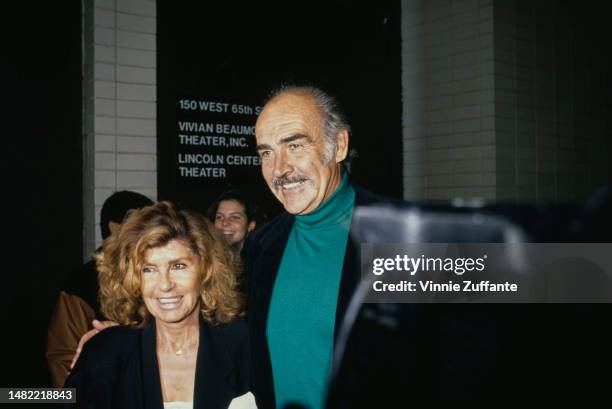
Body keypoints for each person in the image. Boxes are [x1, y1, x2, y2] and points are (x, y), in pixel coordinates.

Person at [244, 85, 408, 409]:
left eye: (294, 145)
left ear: (340, 146)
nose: (279, 169)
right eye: (266, 153)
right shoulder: (260, 246)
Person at [65, 201, 255, 409]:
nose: (165, 285)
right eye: (149, 269)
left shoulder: (244, 344)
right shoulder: (108, 349)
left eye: (178, 266)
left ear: (206, 269)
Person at [46, 190, 153, 387]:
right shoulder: (83, 282)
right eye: (142, 224)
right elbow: (63, 357)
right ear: (114, 228)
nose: (152, 231)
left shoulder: (154, 272)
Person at [208, 189, 266, 254]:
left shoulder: (264, 259)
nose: (225, 223)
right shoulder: (208, 256)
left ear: (250, 225)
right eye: (219, 217)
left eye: (235, 217)